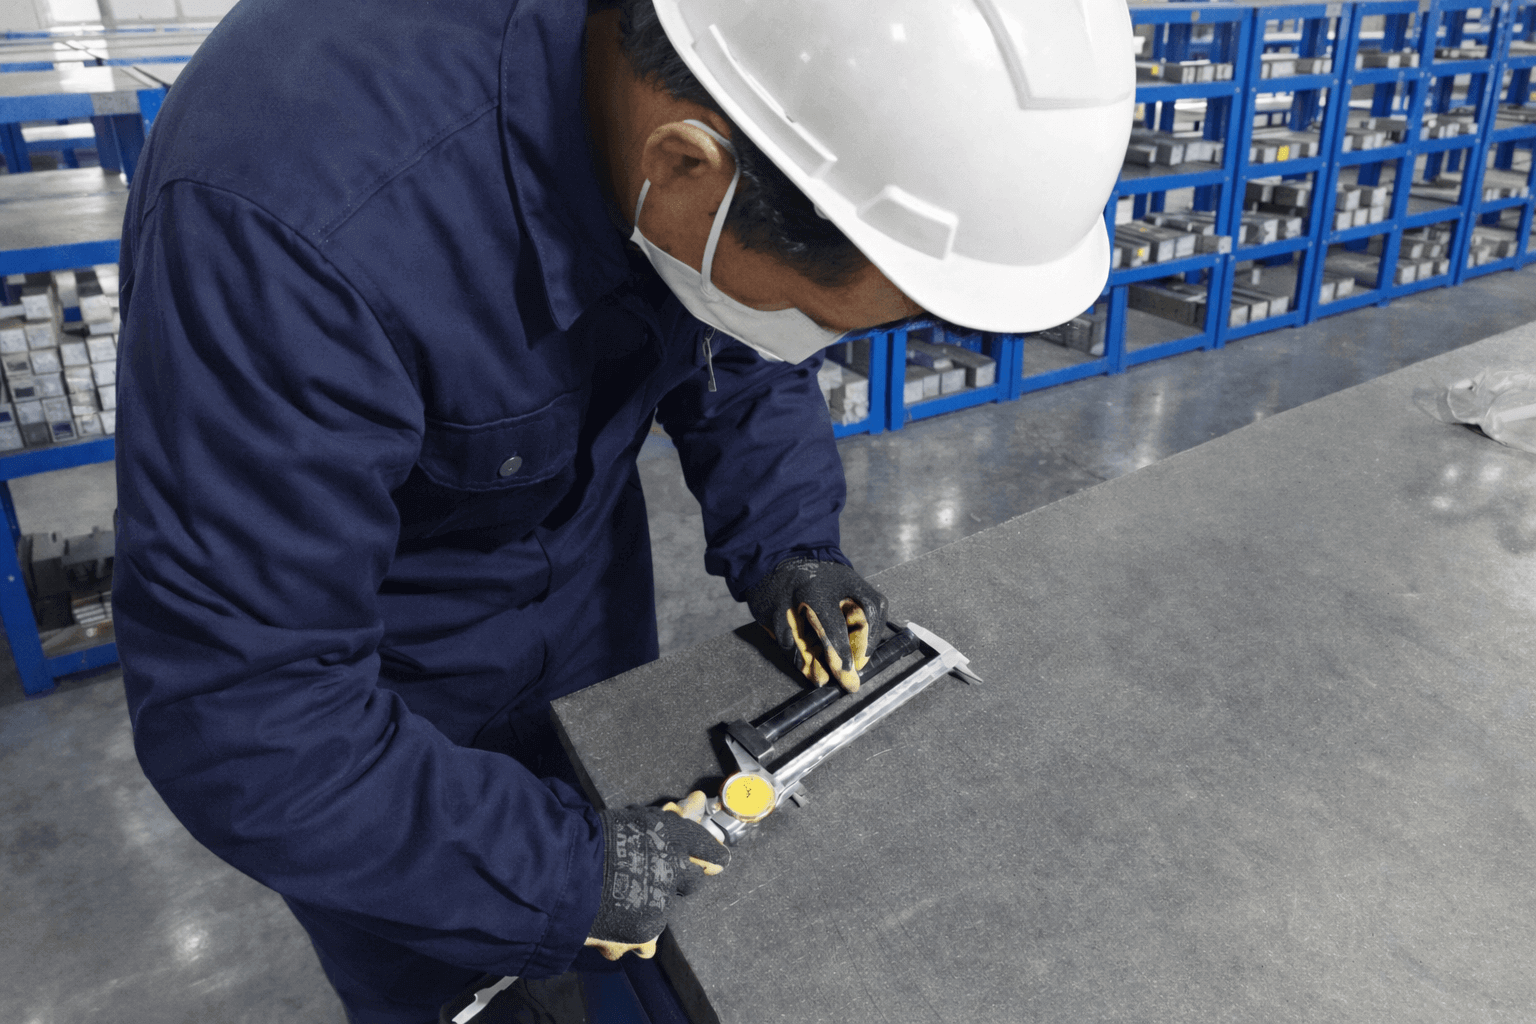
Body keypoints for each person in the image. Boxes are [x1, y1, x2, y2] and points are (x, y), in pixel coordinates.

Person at [114, 0, 1131, 1020]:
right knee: (473, 982)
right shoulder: (284, 217)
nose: (803, 342)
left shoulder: (718, 108)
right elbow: (249, 713)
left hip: (586, 610)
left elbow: (736, 331)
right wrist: (553, 875)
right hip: (387, 716)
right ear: (687, 168)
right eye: (814, 319)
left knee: (633, 952)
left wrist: (790, 543)